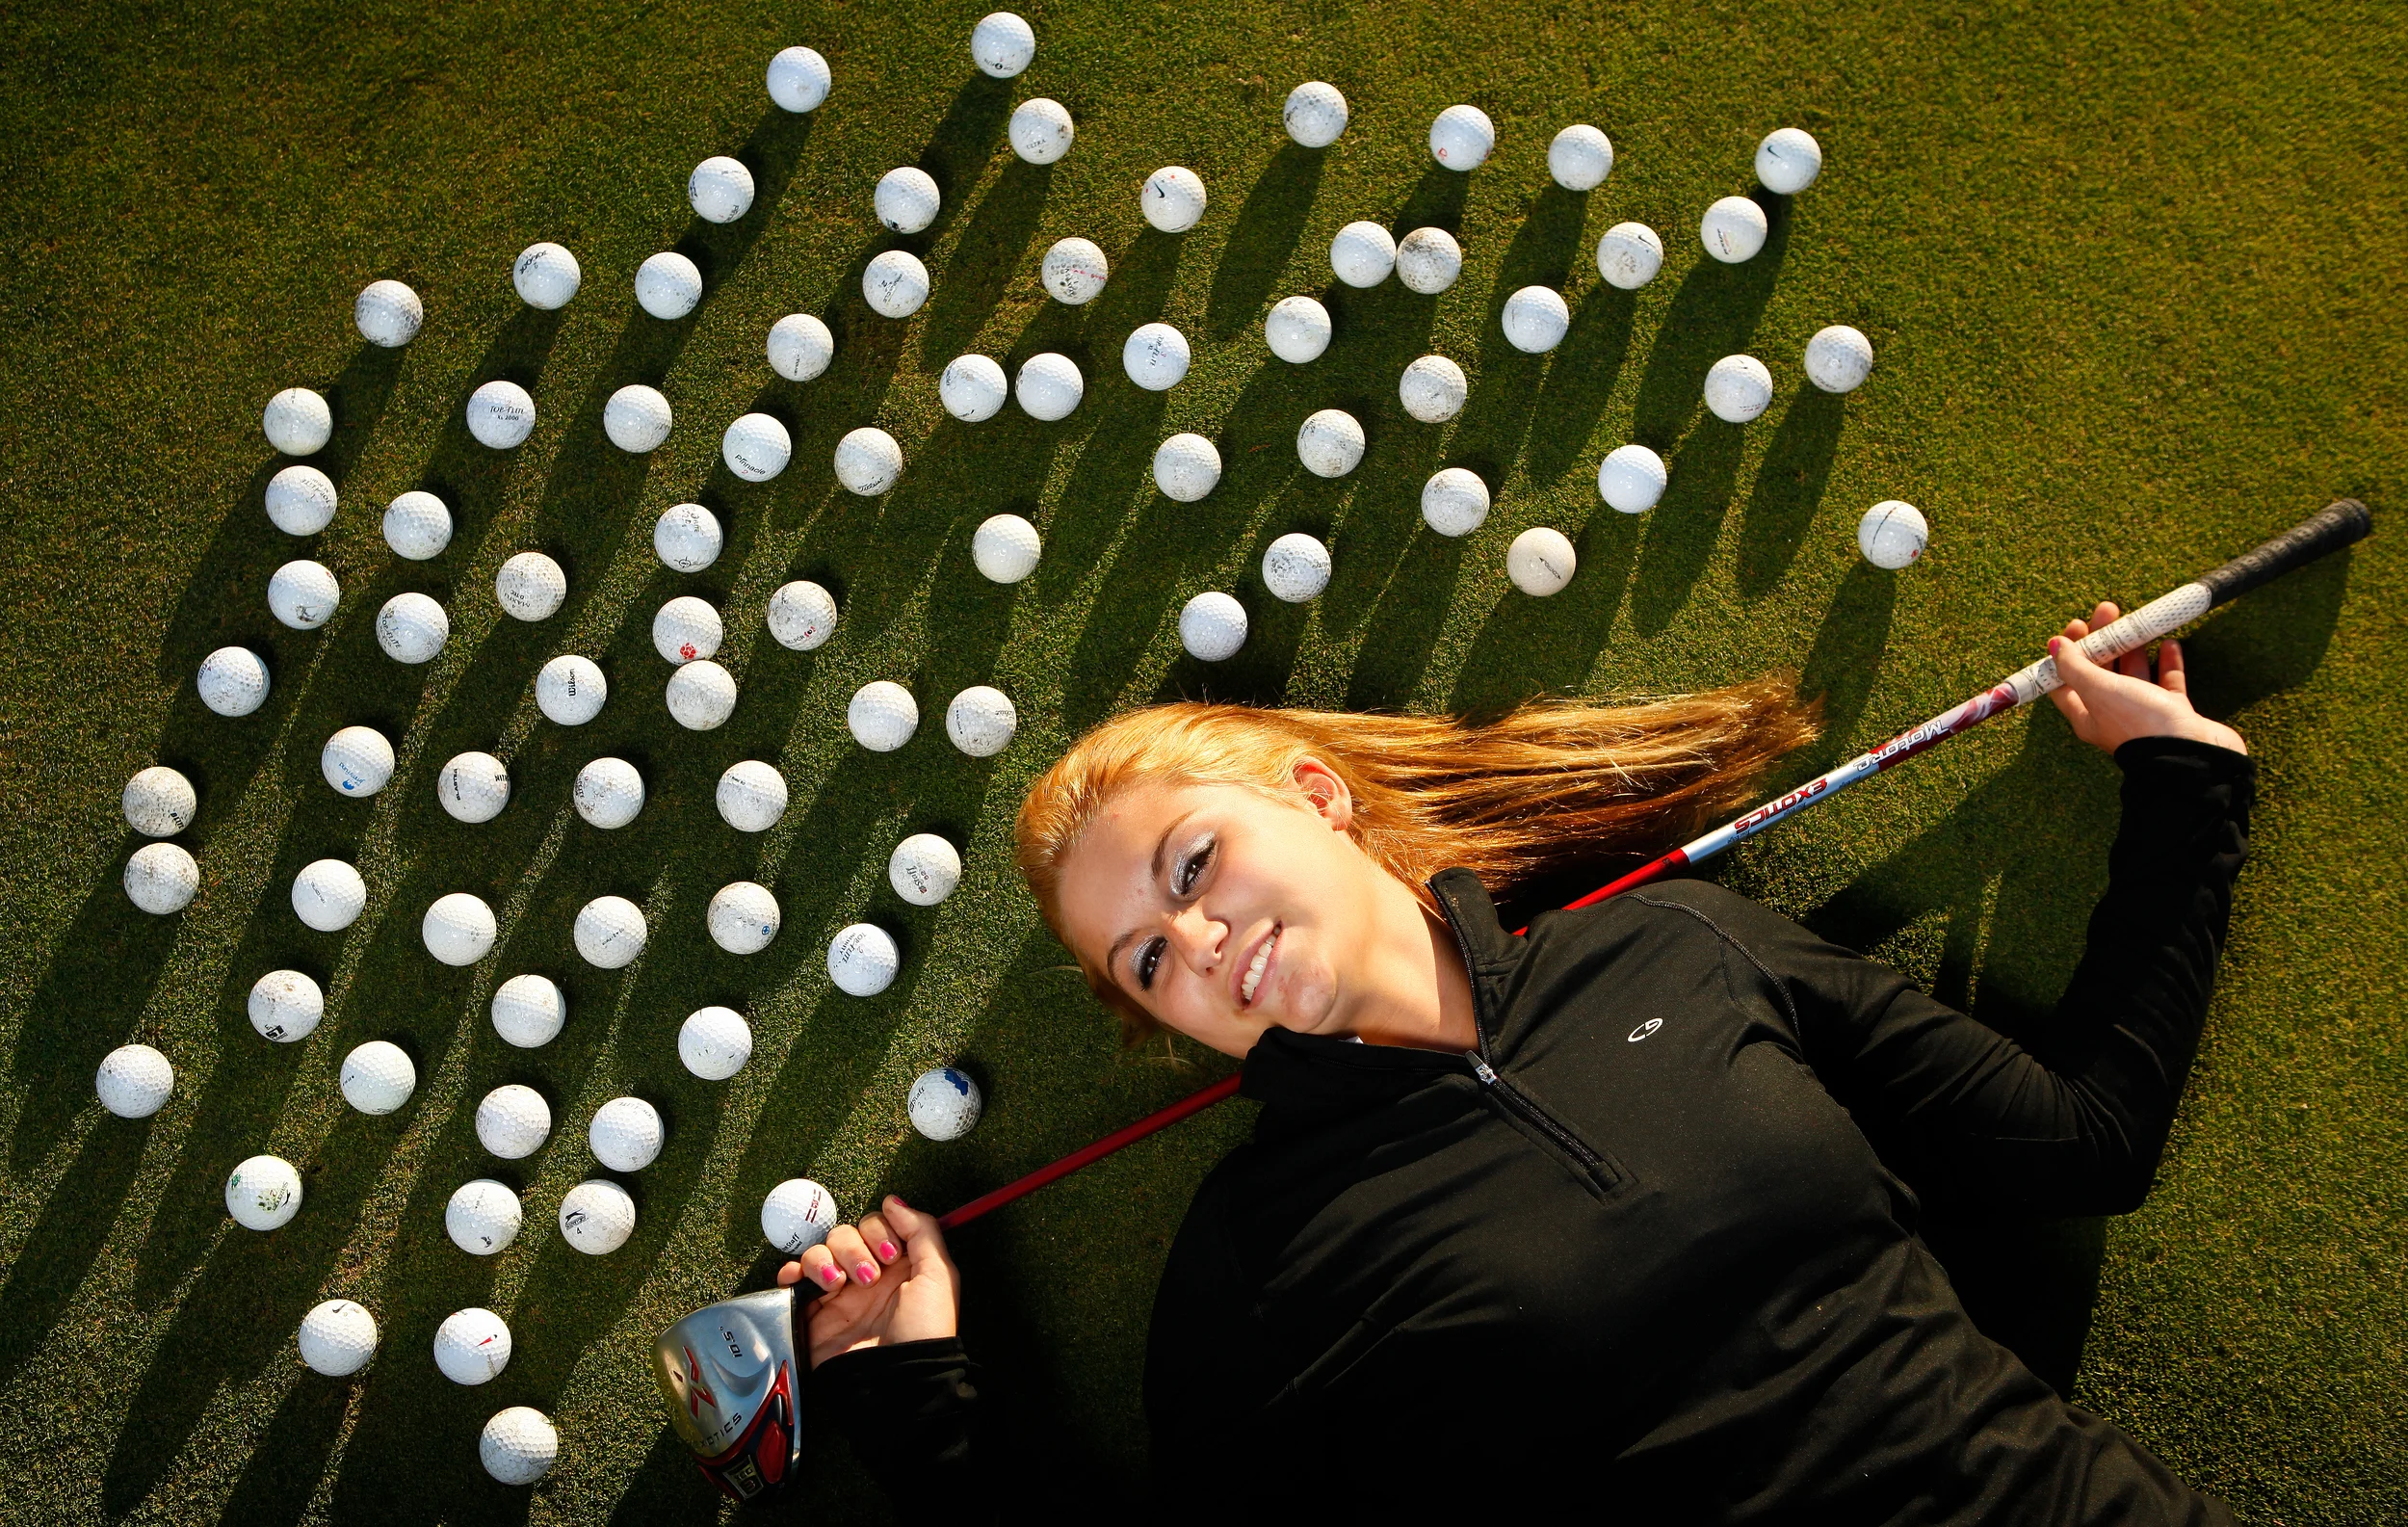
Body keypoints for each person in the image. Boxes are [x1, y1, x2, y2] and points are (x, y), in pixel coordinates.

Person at [779, 604, 2253, 1523]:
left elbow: (2082, 1142)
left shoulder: (1680, 946)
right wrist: (923, 1406)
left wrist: (2187, 782)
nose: (1197, 936)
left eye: (1193, 862)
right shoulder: (1254, 1271)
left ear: (1319, 796)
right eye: (1147, 961)